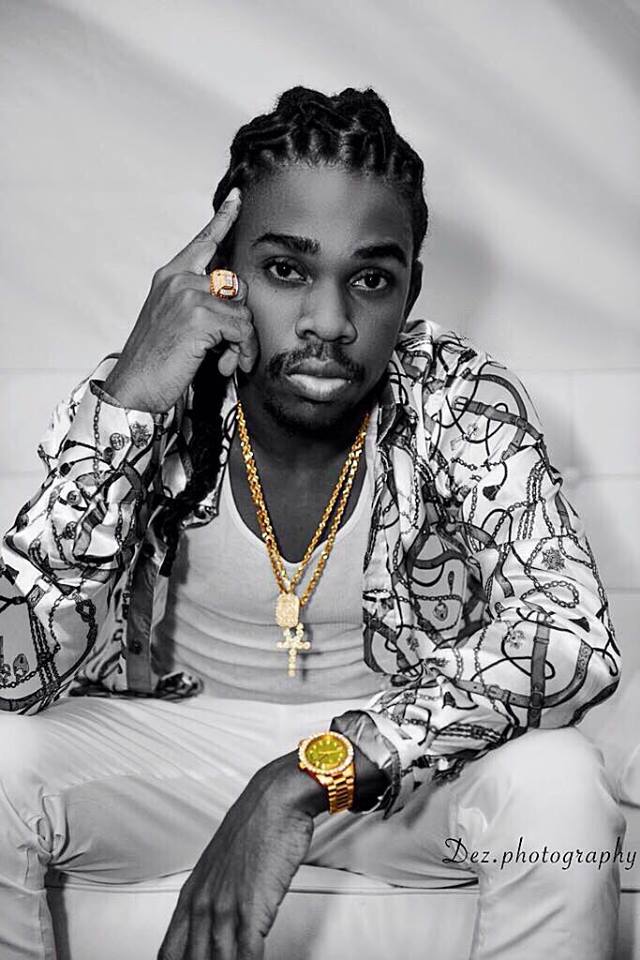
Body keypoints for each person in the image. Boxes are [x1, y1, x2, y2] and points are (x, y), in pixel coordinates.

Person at [0, 85, 625, 960]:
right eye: (286, 271)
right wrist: (130, 397)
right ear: (223, 274)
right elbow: (11, 674)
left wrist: (306, 774)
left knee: (560, 784)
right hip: (173, 758)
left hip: (395, 766)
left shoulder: (460, 397)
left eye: (370, 279)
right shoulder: (152, 386)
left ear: (409, 290)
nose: (329, 323)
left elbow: (570, 635)